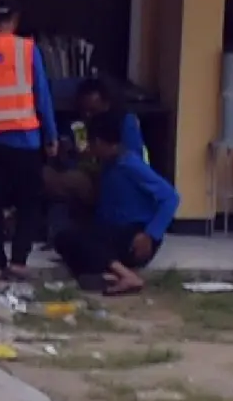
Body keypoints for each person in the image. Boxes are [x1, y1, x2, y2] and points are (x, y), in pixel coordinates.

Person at [52, 109, 178, 296]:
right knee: (64, 239)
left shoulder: (131, 164)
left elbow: (171, 197)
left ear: (100, 142)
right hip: (113, 231)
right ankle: (107, 275)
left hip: (136, 235)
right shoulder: (108, 165)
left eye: (92, 143)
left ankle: (126, 275)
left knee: (85, 242)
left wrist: (150, 234)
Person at [0, 0, 54, 277]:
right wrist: (51, 135)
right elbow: (43, 96)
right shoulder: (27, 50)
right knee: (29, 203)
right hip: (26, 139)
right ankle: (19, 261)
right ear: (14, 19)